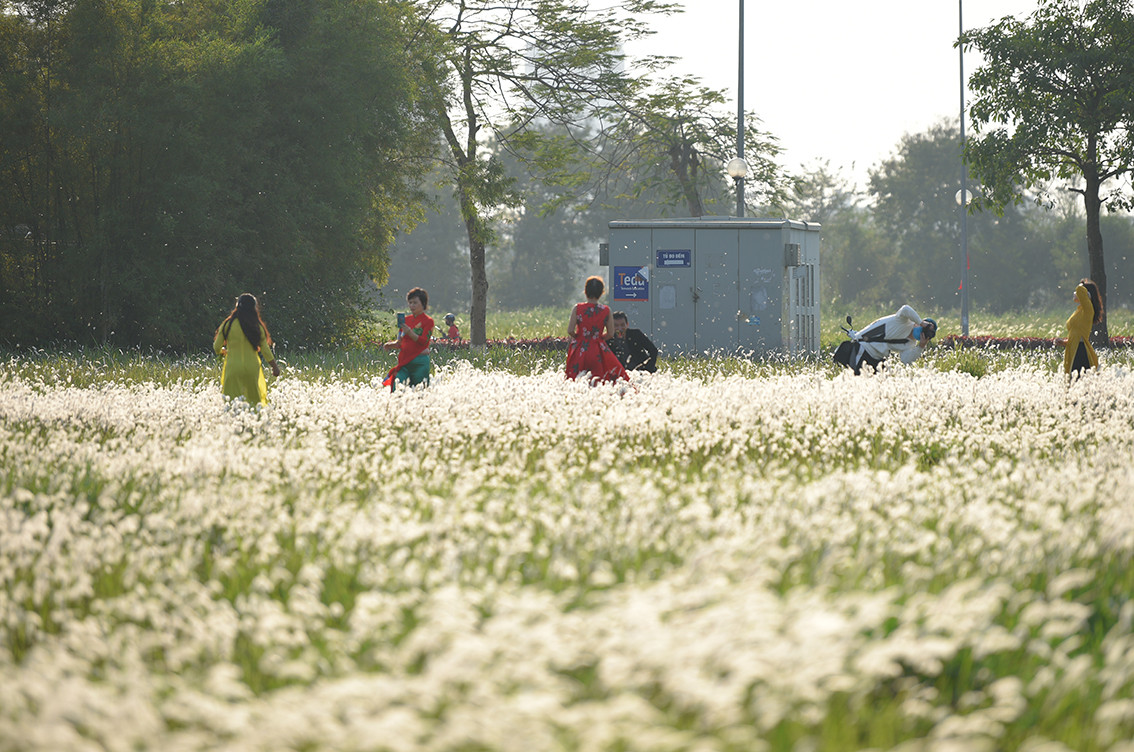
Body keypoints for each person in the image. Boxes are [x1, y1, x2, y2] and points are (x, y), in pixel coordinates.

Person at [213, 293, 280, 405]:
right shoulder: (257, 326)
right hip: (252, 368)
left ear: (237, 306)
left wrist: (223, 351)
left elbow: (216, 347)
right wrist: (275, 367)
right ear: (254, 307)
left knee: (231, 403)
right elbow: (265, 350)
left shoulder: (228, 324)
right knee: (254, 403)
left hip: (233, 368)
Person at [565, 276, 629, 384]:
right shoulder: (606, 310)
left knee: (576, 380)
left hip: (580, 349)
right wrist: (598, 338)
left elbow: (570, 330)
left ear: (585, 291)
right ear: (601, 293)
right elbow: (611, 333)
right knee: (599, 380)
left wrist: (579, 337)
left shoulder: (577, 308)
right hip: (598, 349)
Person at [839, 305, 937, 374]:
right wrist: (922, 323)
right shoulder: (903, 321)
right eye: (924, 328)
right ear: (917, 323)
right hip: (862, 349)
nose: (923, 332)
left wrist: (921, 347)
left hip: (877, 359)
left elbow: (905, 360)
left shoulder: (910, 344)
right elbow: (905, 309)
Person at [383, 287, 434, 391]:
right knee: (397, 386)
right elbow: (400, 342)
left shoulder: (428, 321)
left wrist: (410, 332)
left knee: (419, 391)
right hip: (404, 362)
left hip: (420, 363)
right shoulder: (405, 321)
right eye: (410, 303)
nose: (412, 306)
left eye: (415, 303)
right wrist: (389, 345)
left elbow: (424, 341)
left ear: (423, 303)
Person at [1064, 278, 1102, 377]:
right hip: (1074, 349)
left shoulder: (1088, 309)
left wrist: (1082, 286)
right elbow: (1076, 334)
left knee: (1078, 380)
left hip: (1081, 351)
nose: (1075, 293)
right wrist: (1064, 342)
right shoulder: (1079, 310)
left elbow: (1080, 290)